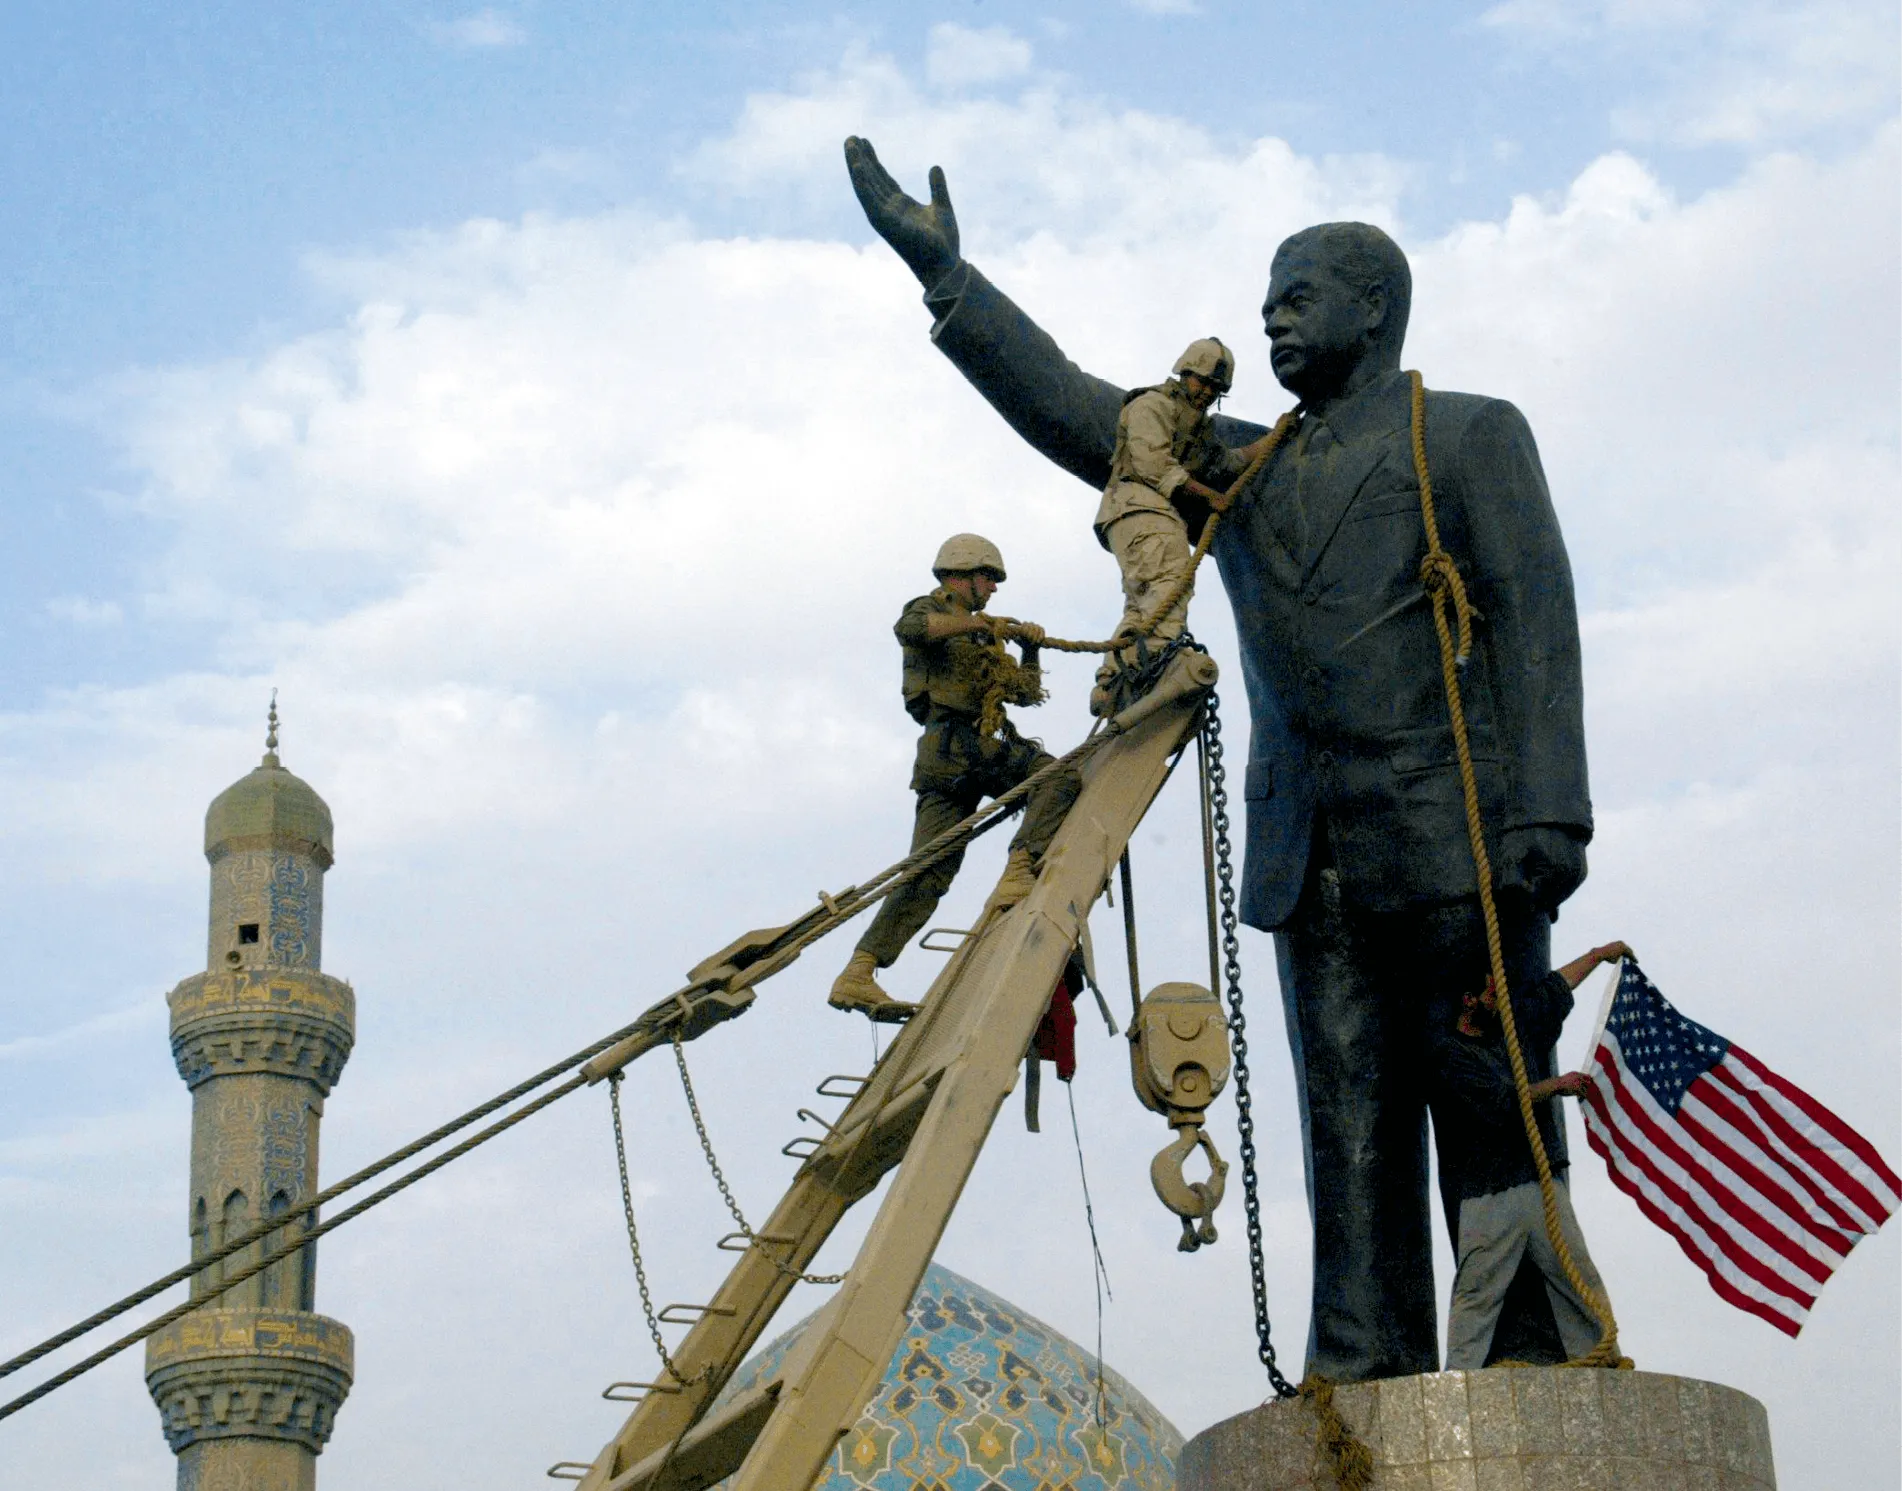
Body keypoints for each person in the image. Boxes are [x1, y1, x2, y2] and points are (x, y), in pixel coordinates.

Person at [843, 139, 1593, 1381]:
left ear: (1377, 307)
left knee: (1485, 1091)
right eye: (1265, 304)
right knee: (1343, 1125)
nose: (1271, 321)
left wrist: (1547, 826)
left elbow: (1535, 622)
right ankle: (1362, 1361)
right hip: (1312, 856)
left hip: (1461, 835)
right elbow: (1089, 412)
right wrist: (950, 284)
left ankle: (1528, 1347)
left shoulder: (1465, 437)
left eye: (1298, 298)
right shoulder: (1235, 470)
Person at [829, 534, 1081, 1023]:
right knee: (1057, 777)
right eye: (988, 578)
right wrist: (977, 624)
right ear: (961, 574)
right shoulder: (932, 611)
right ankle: (1020, 869)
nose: (992, 589)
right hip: (956, 748)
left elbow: (1025, 695)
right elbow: (911, 628)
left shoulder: (983, 632)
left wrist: (1028, 649)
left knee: (928, 870)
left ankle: (858, 971)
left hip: (962, 752)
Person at [1431, 941, 1629, 1368]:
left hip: (1539, 1185)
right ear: (1468, 1002)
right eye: (1490, 994)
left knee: (1577, 1276)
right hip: (1488, 1192)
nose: (1498, 1000)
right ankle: (1459, 1379)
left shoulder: (1516, 1026)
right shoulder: (1450, 1055)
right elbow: (1497, 1100)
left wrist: (1597, 955)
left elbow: (1554, 991)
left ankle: (1602, 1362)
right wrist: (1554, 1086)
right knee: (1477, 1291)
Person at [1091, 339, 1275, 711]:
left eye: (1215, 388)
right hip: (1138, 506)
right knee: (1171, 583)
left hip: (1151, 513)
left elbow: (1228, 462)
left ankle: (1111, 682)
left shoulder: (1197, 428)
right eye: (1202, 382)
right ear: (1185, 373)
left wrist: (1275, 437)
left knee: (1144, 603)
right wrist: (1209, 497)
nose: (1207, 392)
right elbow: (1153, 466)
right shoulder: (1151, 405)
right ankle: (1153, 663)